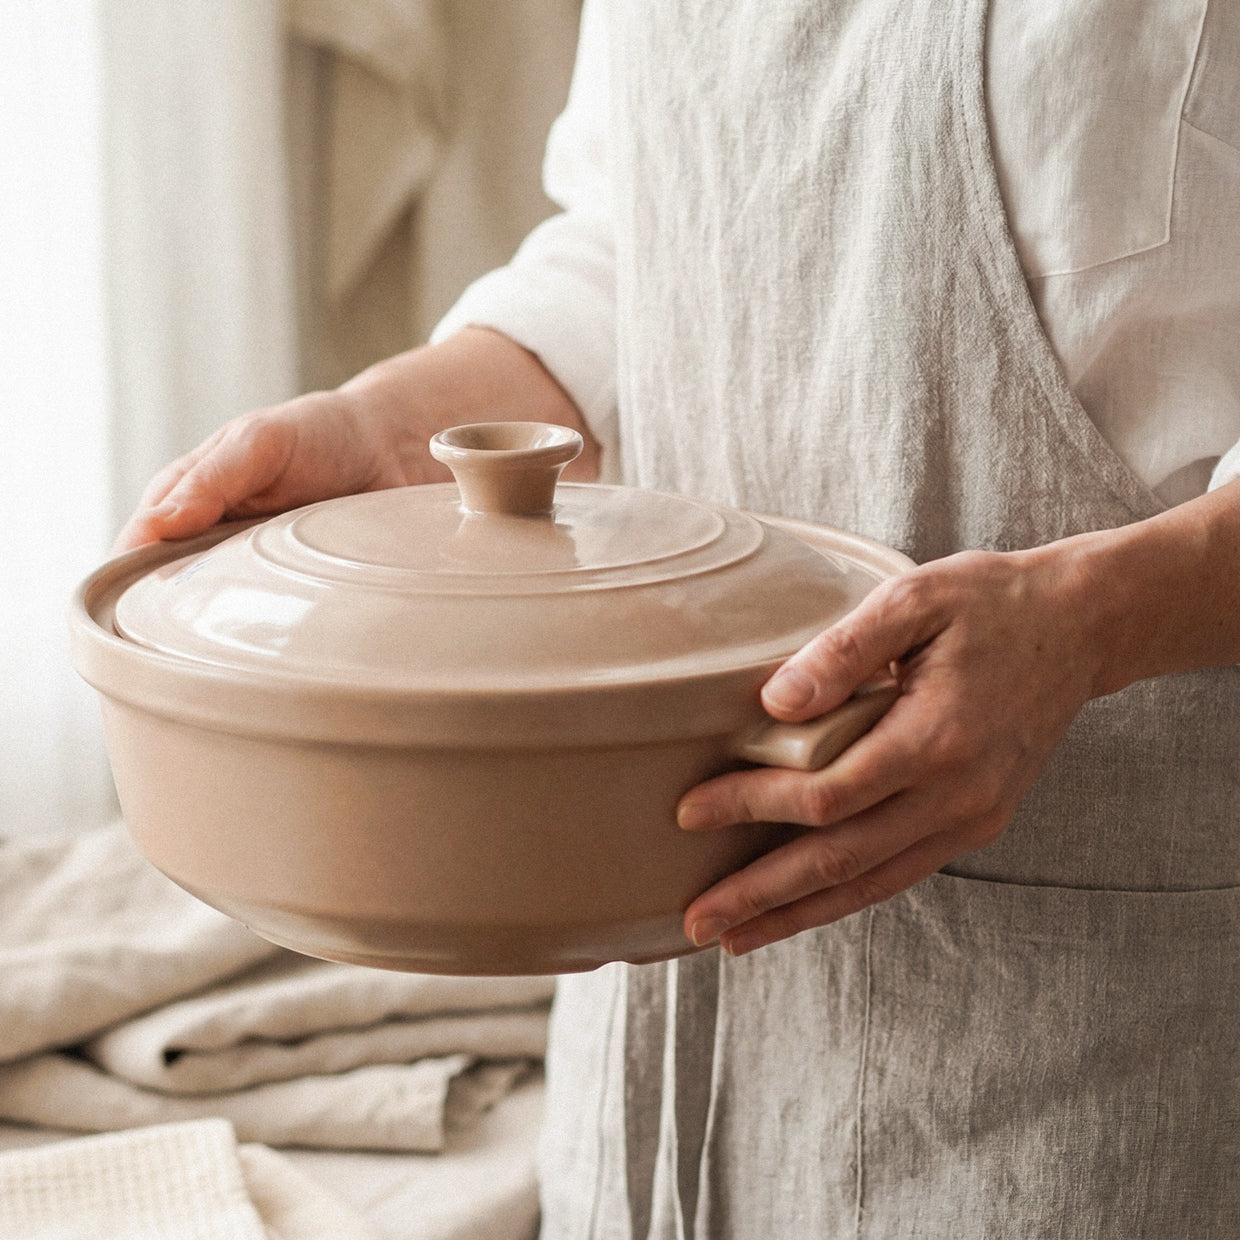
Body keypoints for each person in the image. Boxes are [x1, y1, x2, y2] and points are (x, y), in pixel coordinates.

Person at [118, 1, 1240, 1235]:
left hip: (1106, 1040)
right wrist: (391, 421)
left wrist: (1094, 621)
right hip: (658, 1009)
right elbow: (637, 235)